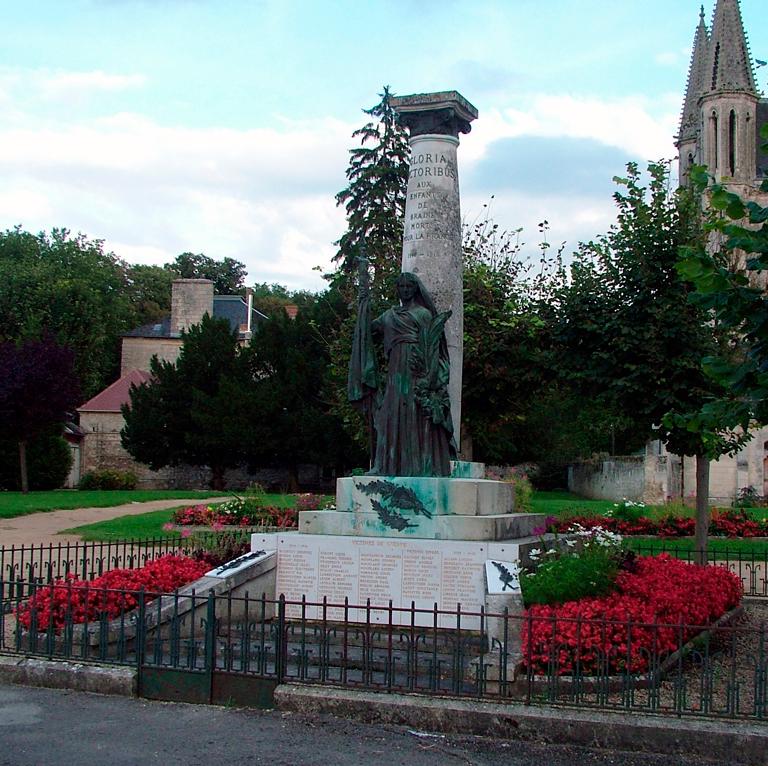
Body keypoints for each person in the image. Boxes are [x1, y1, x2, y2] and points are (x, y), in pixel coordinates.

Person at [349, 270, 456, 476]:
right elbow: (367, 331)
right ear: (397, 289)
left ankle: (422, 465)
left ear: (415, 289)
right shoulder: (389, 315)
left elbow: (432, 349)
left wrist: (429, 378)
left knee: (417, 417)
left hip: (416, 371)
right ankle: (383, 465)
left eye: (409, 287)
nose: (405, 290)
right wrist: (363, 304)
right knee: (388, 415)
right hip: (394, 374)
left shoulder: (423, 315)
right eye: (402, 287)